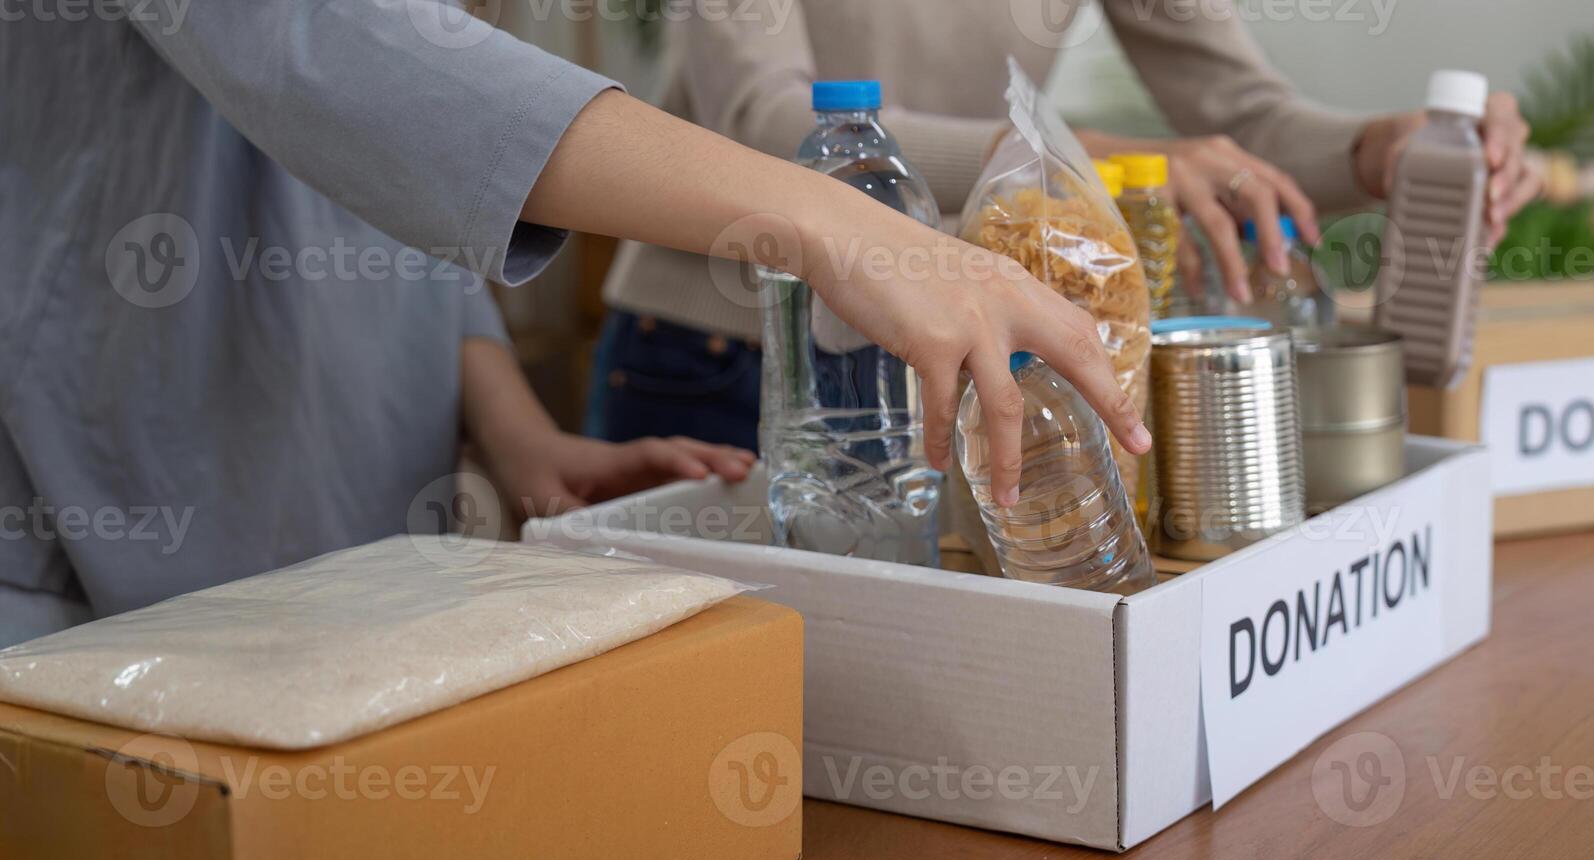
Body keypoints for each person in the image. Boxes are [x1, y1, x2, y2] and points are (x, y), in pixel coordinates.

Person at [0, 1, 1145, 646]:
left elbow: (387, 172)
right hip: (97, 529)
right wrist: (831, 222)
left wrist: (512, 430)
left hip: (347, 523)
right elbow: (328, 51)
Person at [587, 0, 1540, 447]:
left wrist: (1377, 148)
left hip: (957, 348)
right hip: (733, 349)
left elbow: (1243, 119)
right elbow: (767, 121)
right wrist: (1074, 153)